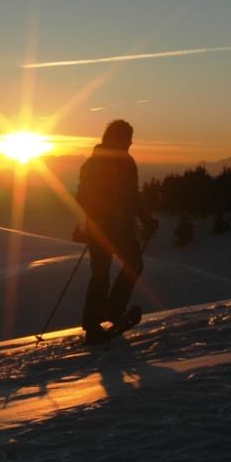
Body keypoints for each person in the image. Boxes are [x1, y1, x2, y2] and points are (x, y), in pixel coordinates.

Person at [75, 119, 158, 344]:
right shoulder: (100, 164)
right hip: (107, 227)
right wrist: (102, 216)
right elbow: (83, 197)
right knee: (124, 266)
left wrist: (145, 219)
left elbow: (132, 195)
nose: (130, 143)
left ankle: (99, 319)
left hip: (110, 226)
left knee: (104, 272)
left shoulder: (109, 162)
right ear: (117, 138)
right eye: (127, 138)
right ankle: (105, 315)